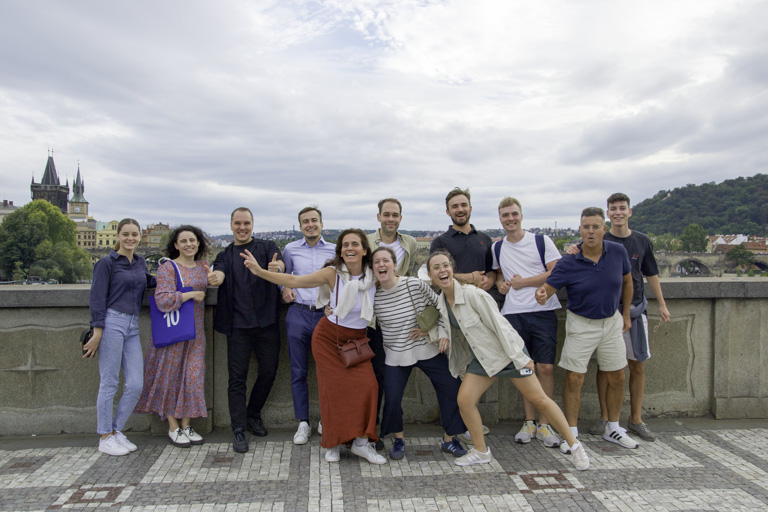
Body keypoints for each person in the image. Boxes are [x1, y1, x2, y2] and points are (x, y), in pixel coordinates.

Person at [427, 249, 589, 471]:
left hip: (508, 354)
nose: (442, 270)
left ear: (452, 270)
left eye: (445, 265)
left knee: (540, 400)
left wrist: (521, 358)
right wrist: (432, 333)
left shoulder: (474, 295)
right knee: (464, 401)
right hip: (484, 358)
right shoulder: (442, 300)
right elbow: (448, 327)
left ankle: (575, 445)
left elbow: (501, 326)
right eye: (436, 268)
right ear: (431, 275)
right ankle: (481, 451)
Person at [241, 229, 386, 465]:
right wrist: (259, 271)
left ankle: (361, 443)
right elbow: (295, 281)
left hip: (357, 340)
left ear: (365, 250)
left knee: (369, 387)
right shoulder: (333, 273)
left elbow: (399, 284)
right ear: (340, 250)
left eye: (355, 244)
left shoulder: (373, 276)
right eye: (345, 245)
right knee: (333, 392)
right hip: (329, 338)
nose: (350, 248)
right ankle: (333, 443)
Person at [535, 207, 639, 452]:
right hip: (581, 323)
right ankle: (571, 433)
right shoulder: (570, 259)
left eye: (595, 226)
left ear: (604, 228)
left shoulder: (618, 251)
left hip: (611, 321)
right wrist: (542, 294)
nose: (591, 231)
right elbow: (549, 288)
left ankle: (613, 427)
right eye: (586, 227)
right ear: (580, 230)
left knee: (617, 375)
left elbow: (627, 281)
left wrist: (625, 313)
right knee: (574, 378)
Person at [586, 193, 671, 441]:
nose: (618, 212)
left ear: (629, 212)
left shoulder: (642, 241)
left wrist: (662, 304)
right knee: (605, 367)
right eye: (613, 209)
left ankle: (636, 419)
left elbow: (651, 274)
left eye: (622, 208)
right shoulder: (602, 238)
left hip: (635, 309)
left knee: (637, 365)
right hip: (608, 311)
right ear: (608, 214)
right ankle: (605, 418)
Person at [371, 247, 467, 460]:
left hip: (428, 349)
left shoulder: (413, 284)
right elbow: (350, 309)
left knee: (452, 388)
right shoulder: (373, 295)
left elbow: (441, 306)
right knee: (393, 399)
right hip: (395, 355)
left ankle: (449, 439)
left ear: (394, 265)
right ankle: (398, 439)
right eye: (376, 262)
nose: (381, 265)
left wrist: (438, 331)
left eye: (385, 260)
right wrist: (331, 309)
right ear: (373, 268)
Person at [207, 207, 284, 453]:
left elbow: (279, 263)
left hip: (267, 323)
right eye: (238, 223)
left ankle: (253, 414)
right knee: (237, 379)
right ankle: (238, 429)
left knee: (269, 372)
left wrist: (277, 269)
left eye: (246, 223)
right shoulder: (225, 255)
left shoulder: (266, 246)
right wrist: (216, 278)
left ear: (253, 225)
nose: (242, 227)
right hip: (237, 327)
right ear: (231, 226)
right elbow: (218, 272)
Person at [492, 197, 563, 448]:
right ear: (500, 218)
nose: (510, 219)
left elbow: (556, 271)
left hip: (542, 310)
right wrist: (501, 283)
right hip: (513, 313)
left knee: (545, 368)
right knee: (524, 368)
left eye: (513, 214)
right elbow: (500, 274)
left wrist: (525, 282)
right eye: (505, 215)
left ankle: (545, 423)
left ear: (521, 215)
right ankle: (529, 421)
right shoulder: (498, 247)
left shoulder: (541, 241)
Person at [84, 218, 156, 456]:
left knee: (136, 384)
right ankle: (104, 436)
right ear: (118, 236)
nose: (130, 238)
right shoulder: (107, 263)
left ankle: (116, 431)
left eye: (134, 234)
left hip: (132, 325)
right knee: (110, 382)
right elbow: (97, 298)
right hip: (111, 323)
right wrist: (97, 332)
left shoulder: (139, 262)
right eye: (126, 234)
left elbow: (150, 282)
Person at [135, 225, 210, 447]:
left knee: (193, 378)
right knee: (170, 378)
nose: (189, 244)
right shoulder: (168, 268)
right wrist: (191, 294)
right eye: (184, 241)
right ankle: (173, 426)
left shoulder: (202, 267)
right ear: (175, 245)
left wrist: (216, 278)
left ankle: (186, 424)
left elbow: (213, 284)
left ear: (199, 243)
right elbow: (163, 300)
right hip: (174, 332)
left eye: (193, 240)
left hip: (195, 333)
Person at [366, 198, 419, 449]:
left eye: (395, 215)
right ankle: (372, 430)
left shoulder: (409, 243)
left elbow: (415, 278)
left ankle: (391, 432)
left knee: (391, 378)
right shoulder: (367, 241)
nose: (390, 219)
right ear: (378, 217)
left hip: (400, 320)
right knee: (376, 376)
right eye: (386, 214)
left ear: (400, 218)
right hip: (374, 319)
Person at [282, 206, 336, 444]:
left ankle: (327, 418)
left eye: (314, 220)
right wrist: (283, 287)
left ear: (322, 224)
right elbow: (284, 277)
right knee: (298, 371)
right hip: (298, 314)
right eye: (305, 221)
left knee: (329, 370)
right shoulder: (290, 249)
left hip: (326, 316)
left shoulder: (335, 250)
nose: (310, 224)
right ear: (300, 225)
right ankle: (303, 422)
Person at [430, 187, 495, 291]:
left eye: (464, 205)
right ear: (448, 212)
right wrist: (470, 277)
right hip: (454, 302)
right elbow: (435, 278)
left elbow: (492, 270)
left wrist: (491, 281)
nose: (460, 209)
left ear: (470, 208)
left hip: (482, 300)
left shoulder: (485, 239)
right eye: (455, 206)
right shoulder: (440, 243)